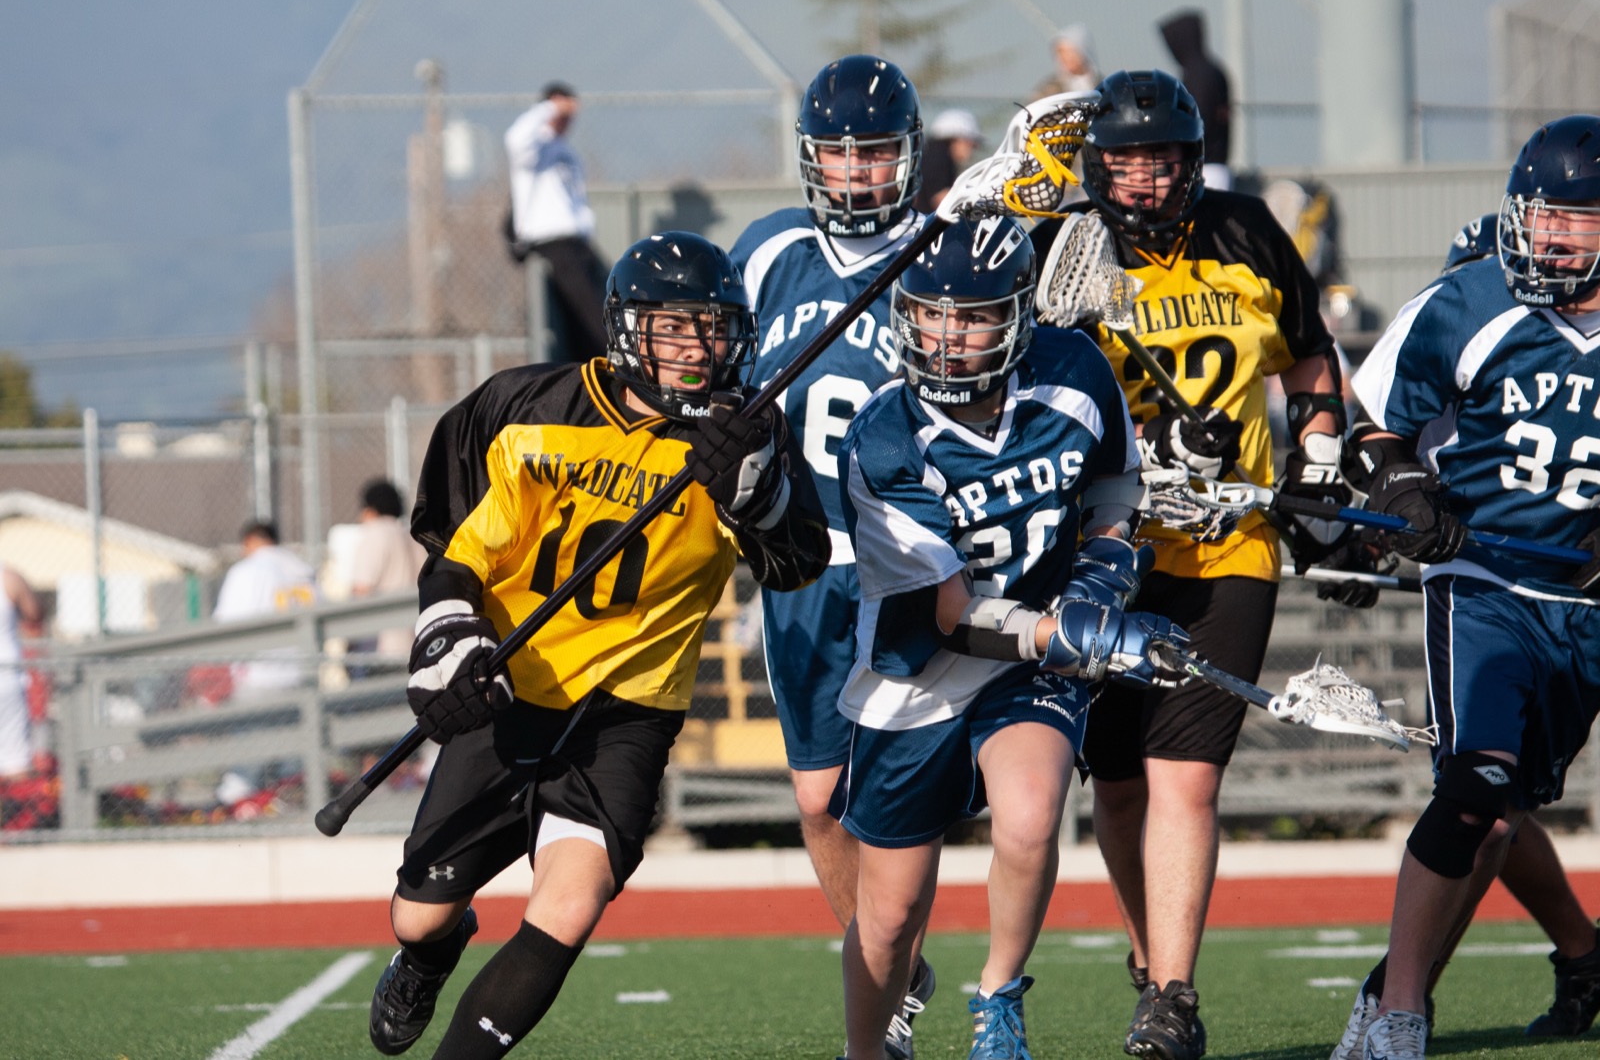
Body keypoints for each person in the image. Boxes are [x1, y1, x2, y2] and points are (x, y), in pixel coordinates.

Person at [366, 230, 830, 1059]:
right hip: (510, 684)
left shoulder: (748, 433)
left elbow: (798, 563)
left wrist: (754, 495)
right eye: (673, 328)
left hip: (627, 710)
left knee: (570, 904)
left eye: (712, 329)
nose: (696, 349)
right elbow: (456, 555)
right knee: (419, 911)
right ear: (625, 330)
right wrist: (447, 637)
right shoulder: (527, 407)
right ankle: (428, 954)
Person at [1030, 69, 1346, 1060]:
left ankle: (1172, 993)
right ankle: (1145, 948)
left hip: (1225, 545)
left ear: (1192, 159)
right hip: (1106, 552)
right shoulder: (1065, 249)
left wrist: (1321, 447)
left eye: (1160, 158)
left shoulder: (1246, 228)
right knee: (1117, 786)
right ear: (1095, 167)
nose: (1141, 179)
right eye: (1121, 160)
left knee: (1185, 779)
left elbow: (1308, 359)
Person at [832, 214, 1187, 1060]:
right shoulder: (882, 437)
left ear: (1020, 315)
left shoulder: (1073, 372)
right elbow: (952, 612)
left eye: (974, 316)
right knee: (887, 922)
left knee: (1029, 822)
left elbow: (1113, 486)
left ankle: (998, 995)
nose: (948, 337)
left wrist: (1103, 574)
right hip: (917, 674)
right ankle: (866, 1050)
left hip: (1028, 667)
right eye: (930, 315)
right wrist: (1075, 632)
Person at [1327, 118, 1600, 1060]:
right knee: (1476, 791)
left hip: (1589, 602)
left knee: (1505, 814)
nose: (1551, 239)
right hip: (1484, 580)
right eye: (1542, 217)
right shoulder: (1473, 299)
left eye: (1576, 221)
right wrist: (1400, 485)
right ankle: (1399, 1010)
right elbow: (1366, 416)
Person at [728, 53, 936, 1058]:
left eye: (873, 156)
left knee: (891, 789)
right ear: (812, 160)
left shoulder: (940, 253)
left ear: (907, 158)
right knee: (816, 799)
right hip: (801, 559)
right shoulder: (770, 252)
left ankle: (886, 977)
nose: (857, 175)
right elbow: (720, 385)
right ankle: (885, 950)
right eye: (840, 158)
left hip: (901, 555)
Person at [503, 81, 610, 362]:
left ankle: (601, 364)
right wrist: (551, 106)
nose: (566, 120)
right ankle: (615, 366)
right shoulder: (534, 147)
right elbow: (516, 139)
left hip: (578, 243)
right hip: (552, 243)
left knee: (605, 304)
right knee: (591, 314)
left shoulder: (566, 152)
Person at [213, 520, 318, 697]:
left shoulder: (245, 571)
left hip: (260, 676)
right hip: (304, 673)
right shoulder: (303, 570)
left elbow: (224, 622)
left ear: (250, 540)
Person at [348, 478, 428, 660]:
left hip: (384, 647)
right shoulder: (412, 535)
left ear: (370, 510)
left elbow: (361, 590)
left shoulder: (375, 533)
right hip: (419, 639)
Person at [1158, 11, 1232, 192]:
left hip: (1206, 167)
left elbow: (1199, 119)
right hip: (1211, 165)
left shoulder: (1199, 75)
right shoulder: (1208, 70)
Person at [0, 562, 43, 778]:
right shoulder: (9, 578)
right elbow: (35, 615)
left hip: (8, 677)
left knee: (15, 765)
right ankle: (16, 809)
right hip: (8, 679)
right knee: (15, 765)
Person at [915, 108, 982, 214]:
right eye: (971, 143)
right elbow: (942, 200)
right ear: (957, 138)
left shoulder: (929, 153)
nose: (972, 149)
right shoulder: (940, 157)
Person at [1030, 24, 1100, 101]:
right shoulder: (1048, 91)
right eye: (1060, 52)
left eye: (1070, 51)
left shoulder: (1104, 86)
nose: (1065, 57)